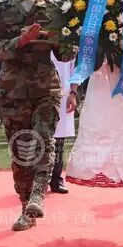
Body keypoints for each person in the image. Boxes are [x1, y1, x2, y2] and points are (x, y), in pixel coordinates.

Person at [0, 0, 76, 231]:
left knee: (44, 138)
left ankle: (39, 194)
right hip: (12, 89)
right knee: (20, 150)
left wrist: (63, 41)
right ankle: (26, 206)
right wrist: (21, 41)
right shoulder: (0, 10)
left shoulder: (54, 9)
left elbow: (65, 55)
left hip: (44, 86)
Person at [50, 50, 76, 194]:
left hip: (63, 96)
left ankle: (56, 180)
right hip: (42, 95)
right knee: (40, 139)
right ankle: (38, 179)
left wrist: (73, 93)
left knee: (59, 141)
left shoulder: (68, 47)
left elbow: (75, 71)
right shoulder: (41, 46)